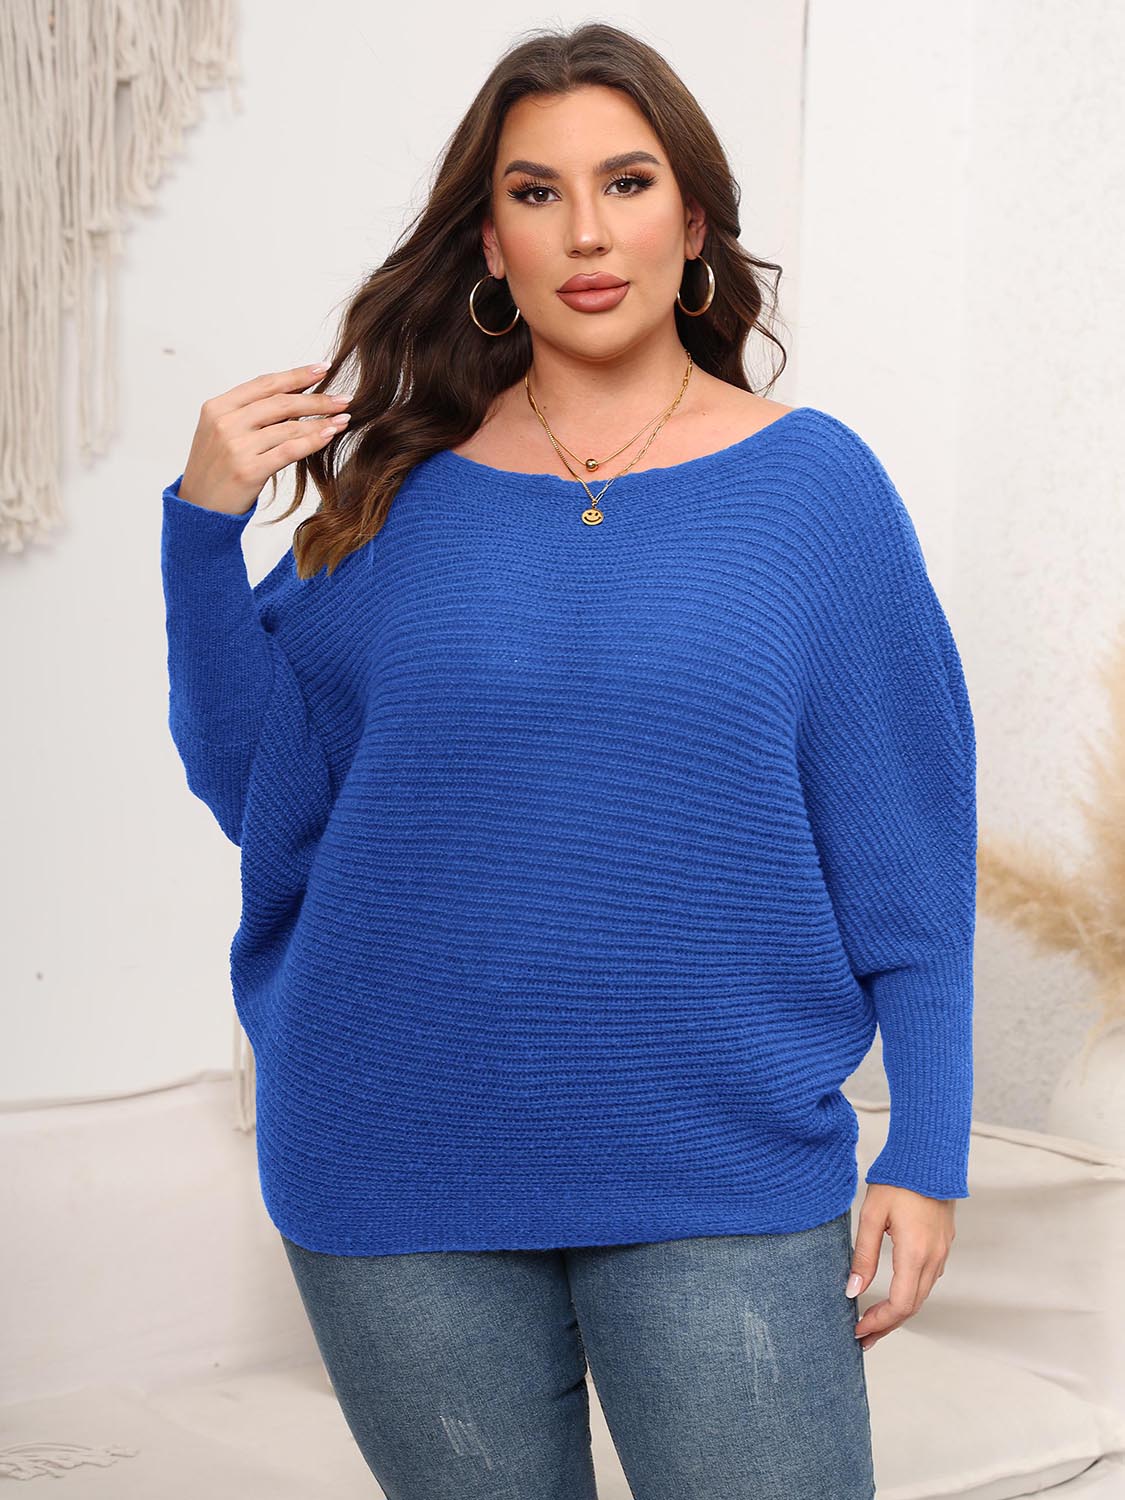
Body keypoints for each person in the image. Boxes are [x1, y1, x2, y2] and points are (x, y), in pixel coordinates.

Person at [160, 21, 978, 1499]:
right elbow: (255, 791)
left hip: (720, 1163)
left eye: (627, 182)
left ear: (695, 221)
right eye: (536, 193)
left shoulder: (815, 492)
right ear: (491, 240)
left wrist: (925, 1147)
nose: (586, 233)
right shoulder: (395, 489)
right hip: (392, 1158)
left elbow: (907, 861)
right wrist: (201, 534)